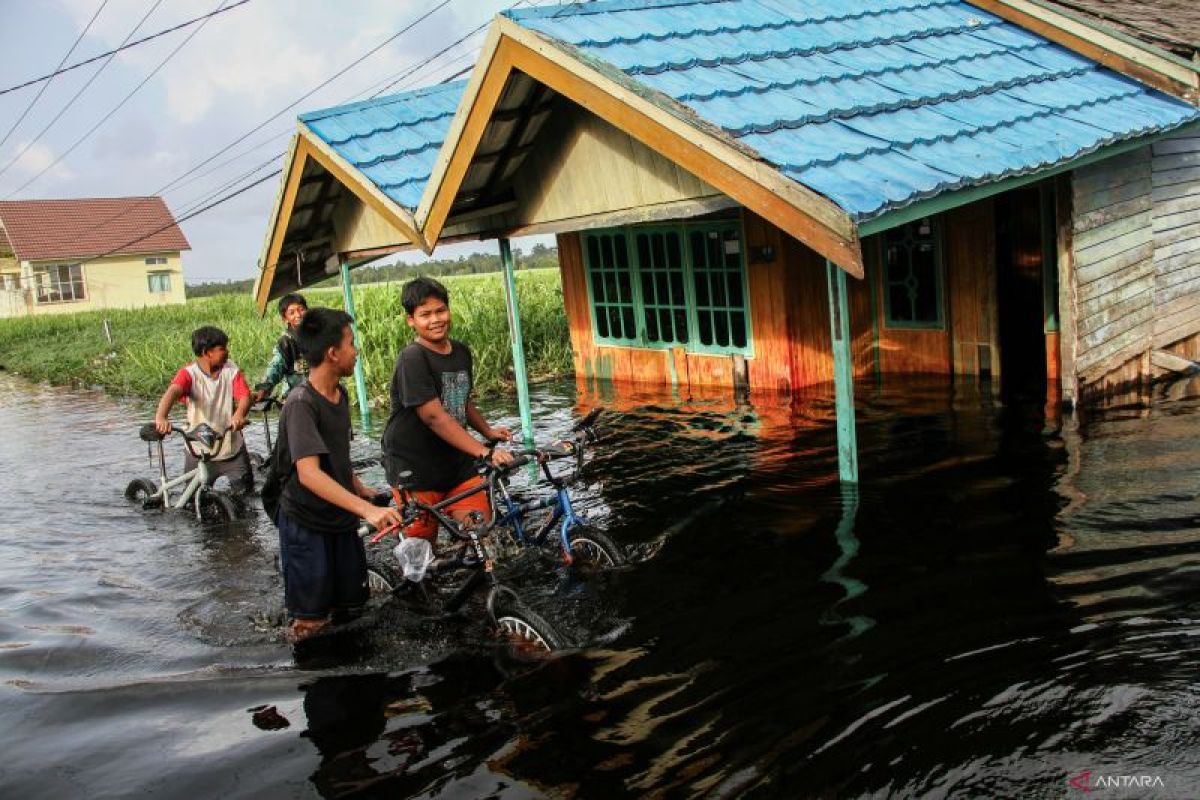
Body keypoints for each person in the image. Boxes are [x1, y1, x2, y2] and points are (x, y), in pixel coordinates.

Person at [273, 307, 403, 641]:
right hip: (307, 523)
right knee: (311, 623)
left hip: (340, 519)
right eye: (351, 343)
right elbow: (310, 475)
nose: (356, 351)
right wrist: (368, 511)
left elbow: (337, 460)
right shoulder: (301, 402)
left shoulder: (339, 394)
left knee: (351, 610)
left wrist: (363, 490)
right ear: (332, 353)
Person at [381, 277, 514, 544]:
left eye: (440, 311)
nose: (435, 320)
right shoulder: (413, 358)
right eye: (425, 314)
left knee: (481, 535)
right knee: (422, 551)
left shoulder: (461, 352)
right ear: (411, 321)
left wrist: (486, 430)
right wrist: (484, 451)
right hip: (415, 468)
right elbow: (434, 417)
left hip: (456, 463)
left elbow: (460, 399)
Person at [153, 325, 253, 492]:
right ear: (207, 353)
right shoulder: (188, 374)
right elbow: (173, 392)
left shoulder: (230, 370)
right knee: (193, 499)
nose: (227, 352)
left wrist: (239, 414)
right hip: (198, 447)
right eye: (222, 349)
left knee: (245, 493)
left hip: (230, 445)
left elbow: (245, 396)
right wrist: (161, 417)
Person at [252, 292, 309, 402]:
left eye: (301, 309)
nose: (298, 315)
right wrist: (264, 388)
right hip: (296, 395)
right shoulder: (286, 341)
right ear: (285, 319)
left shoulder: (320, 335)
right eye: (292, 313)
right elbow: (276, 365)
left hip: (321, 392)